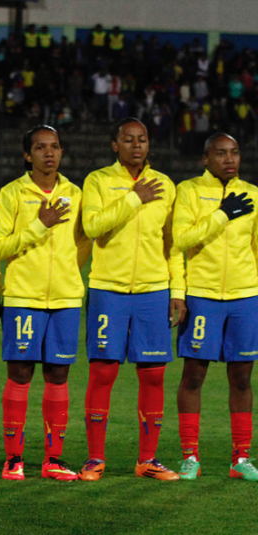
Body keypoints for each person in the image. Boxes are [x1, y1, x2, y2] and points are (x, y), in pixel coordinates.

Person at [79, 118, 184, 481]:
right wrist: (132, 197)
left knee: (154, 375)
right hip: (108, 289)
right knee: (103, 372)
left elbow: (173, 244)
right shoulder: (98, 181)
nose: (136, 146)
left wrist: (177, 291)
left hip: (153, 291)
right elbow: (92, 227)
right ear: (114, 145)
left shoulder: (167, 186)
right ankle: (95, 459)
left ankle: (148, 460)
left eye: (142, 140)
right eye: (128, 140)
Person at [0, 125, 90, 481]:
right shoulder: (12, 193)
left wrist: (65, 271)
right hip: (23, 297)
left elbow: (83, 243)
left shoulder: (75, 194)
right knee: (20, 373)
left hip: (65, 297)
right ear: (26, 155)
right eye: (40, 148)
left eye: (55, 147)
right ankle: (13, 458)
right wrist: (38, 226)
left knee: (58, 374)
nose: (49, 153)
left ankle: (54, 460)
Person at [173, 133, 258, 482]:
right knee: (194, 375)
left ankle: (241, 459)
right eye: (220, 153)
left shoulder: (252, 194)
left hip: (244, 296)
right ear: (205, 159)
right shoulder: (189, 191)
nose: (229, 159)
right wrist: (222, 214)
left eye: (234, 153)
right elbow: (182, 240)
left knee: (241, 378)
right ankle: (190, 456)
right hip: (203, 295)